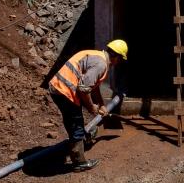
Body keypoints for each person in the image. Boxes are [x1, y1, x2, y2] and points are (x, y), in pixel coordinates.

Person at [48, 39, 128, 171]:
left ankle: (80, 140)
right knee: (76, 122)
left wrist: (101, 105)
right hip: (65, 90)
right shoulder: (101, 64)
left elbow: (94, 87)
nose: (118, 63)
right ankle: (79, 162)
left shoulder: (97, 56)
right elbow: (84, 88)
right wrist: (91, 107)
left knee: (73, 120)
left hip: (58, 87)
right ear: (116, 56)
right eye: (120, 59)